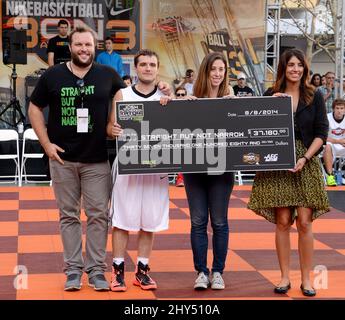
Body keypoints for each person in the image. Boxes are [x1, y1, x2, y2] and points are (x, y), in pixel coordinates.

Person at [29, 26, 127, 291]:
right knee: (68, 216)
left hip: (96, 160)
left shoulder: (107, 74)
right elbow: (34, 107)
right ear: (69, 47)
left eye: (88, 45)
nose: (84, 49)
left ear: (94, 47)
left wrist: (111, 123)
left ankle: (96, 271)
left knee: (98, 216)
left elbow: (125, 95)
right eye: (79, 45)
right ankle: (73, 270)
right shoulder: (53, 75)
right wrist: (46, 144)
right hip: (62, 160)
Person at [247, 48, 330, 297]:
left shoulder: (314, 96)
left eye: (300, 65)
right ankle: (284, 277)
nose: (296, 69)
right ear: (283, 68)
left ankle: (306, 279)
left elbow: (322, 132)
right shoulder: (271, 94)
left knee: (305, 222)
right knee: (283, 222)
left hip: (306, 161)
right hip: (277, 162)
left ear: (305, 68)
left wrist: (305, 158)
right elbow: (256, 128)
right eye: (291, 65)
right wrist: (269, 107)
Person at [107, 49, 172, 292]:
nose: (147, 68)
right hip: (128, 166)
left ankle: (142, 271)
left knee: (150, 220)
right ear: (135, 68)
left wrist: (172, 98)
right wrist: (112, 129)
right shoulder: (122, 94)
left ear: (157, 68)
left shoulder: (165, 96)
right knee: (122, 220)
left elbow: (179, 126)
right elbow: (110, 127)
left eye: (152, 64)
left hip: (156, 168)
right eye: (143, 64)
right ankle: (118, 271)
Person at [183, 52, 235, 290]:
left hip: (222, 168)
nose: (217, 74)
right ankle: (201, 272)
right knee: (197, 221)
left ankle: (218, 272)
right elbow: (172, 118)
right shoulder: (191, 96)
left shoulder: (231, 97)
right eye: (213, 69)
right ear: (205, 71)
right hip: (194, 168)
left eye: (221, 70)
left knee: (220, 222)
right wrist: (174, 102)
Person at [323, 99, 345, 186]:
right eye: (337, 108)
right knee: (328, 146)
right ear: (333, 109)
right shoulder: (326, 118)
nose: (339, 111)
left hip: (343, 145)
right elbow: (323, 137)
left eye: (342, 108)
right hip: (331, 145)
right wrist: (338, 141)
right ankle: (330, 175)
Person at [174, 86, 188, 187]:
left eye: (183, 95)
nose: (180, 96)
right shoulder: (171, 105)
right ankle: (180, 178)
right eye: (178, 95)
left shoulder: (191, 105)